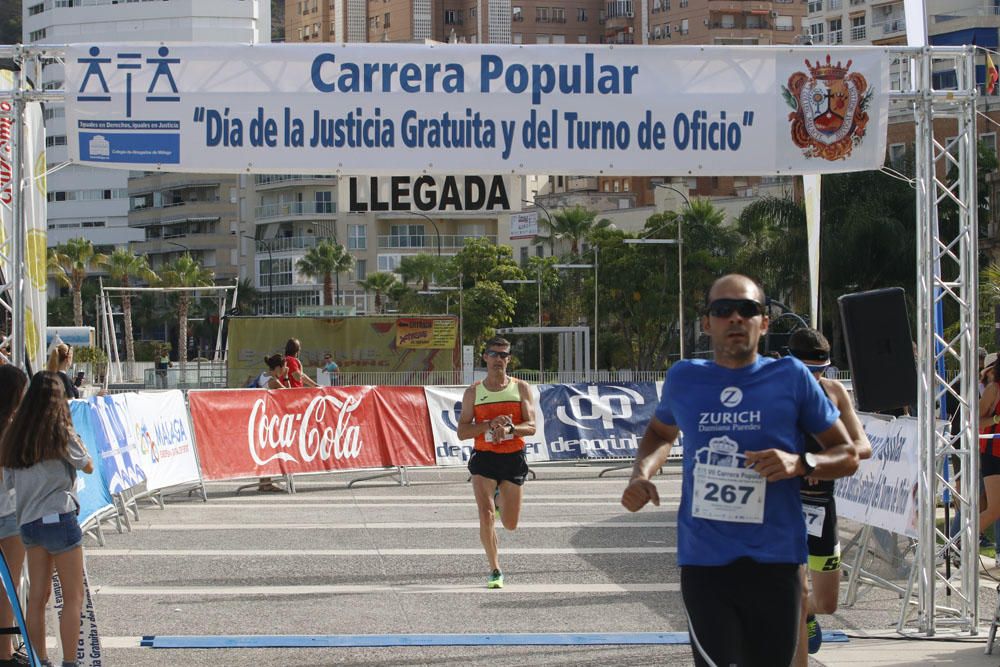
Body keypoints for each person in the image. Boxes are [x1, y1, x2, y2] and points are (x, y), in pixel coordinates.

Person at [621, 274, 858, 667]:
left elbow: (847, 453)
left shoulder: (791, 377)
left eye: (747, 309)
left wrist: (801, 463)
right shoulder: (685, 377)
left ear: (764, 323)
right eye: (722, 309)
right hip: (705, 561)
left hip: (777, 560)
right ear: (706, 323)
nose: (735, 317)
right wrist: (641, 474)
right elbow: (660, 432)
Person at [787, 328, 872, 664]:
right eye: (807, 372)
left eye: (820, 371)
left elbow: (863, 446)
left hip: (822, 508)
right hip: (781, 508)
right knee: (788, 592)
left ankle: (804, 613)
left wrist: (817, 464)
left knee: (826, 602)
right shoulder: (773, 393)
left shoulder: (834, 392)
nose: (814, 378)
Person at [0, 372, 94, 667]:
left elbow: (8, 483)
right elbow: (88, 465)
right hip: (60, 518)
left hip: (29, 523)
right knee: (72, 596)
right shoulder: (60, 432)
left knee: (36, 598)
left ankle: (40, 660)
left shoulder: (17, 438)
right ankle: (69, 661)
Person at [457, 336, 536, 589]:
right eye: (493, 354)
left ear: (509, 359)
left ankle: (501, 498)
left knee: (510, 524)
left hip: (513, 458)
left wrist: (511, 428)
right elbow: (462, 431)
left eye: (503, 355)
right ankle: (495, 569)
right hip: (484, 458)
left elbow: (532, 426)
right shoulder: (473, 392)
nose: (498, 359)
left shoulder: (521, 388)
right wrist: (488, 425)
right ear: (485, 357)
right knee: (485, 514)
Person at [0, 366, 28, 667]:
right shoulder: (14, 430)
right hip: (9, 512)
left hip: (10, 511)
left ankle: (5, 650)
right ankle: (4, 651)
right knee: (8, 585)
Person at [255, 355, 289, 493]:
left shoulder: (262, 375)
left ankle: (264, 482)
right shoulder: (273, 381)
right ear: (278, 367)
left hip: (261, 416)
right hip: (268, 418)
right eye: (283, 367)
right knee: (268, 450)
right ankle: (266, 483)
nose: (284, 369)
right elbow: (289, 393)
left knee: (264, 450)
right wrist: (286, 377)